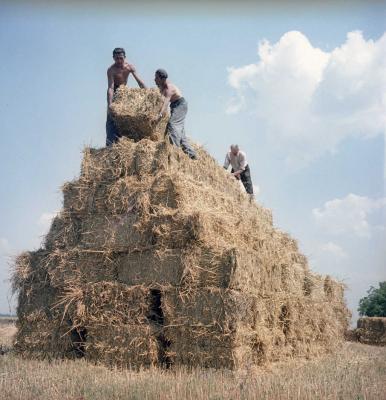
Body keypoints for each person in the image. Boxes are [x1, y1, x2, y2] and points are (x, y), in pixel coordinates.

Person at [106, 48, 146, 146]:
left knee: (128, 116)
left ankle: (128, 140)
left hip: (124, 93)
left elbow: (139, 80)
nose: (119, 61)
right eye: (116, 59)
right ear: (113, 58)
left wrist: (147, 91)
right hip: (116, 92)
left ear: (125, 57)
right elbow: (110, 88)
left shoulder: (129, 67)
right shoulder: (111, 70)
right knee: (111, 118)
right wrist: (110, 104)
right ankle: (111, 144)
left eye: (121, 58)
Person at [154, 69, 197, 159]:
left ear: (162, 79)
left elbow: (166, 103)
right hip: (174, 106)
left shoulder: (169, 88)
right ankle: (192, 155)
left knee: (172, 125)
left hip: (180, 105)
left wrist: (160, 115)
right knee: (181, 134)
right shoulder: (161, 86)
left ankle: (174, 151)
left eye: (156, 78)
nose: (154, 79)